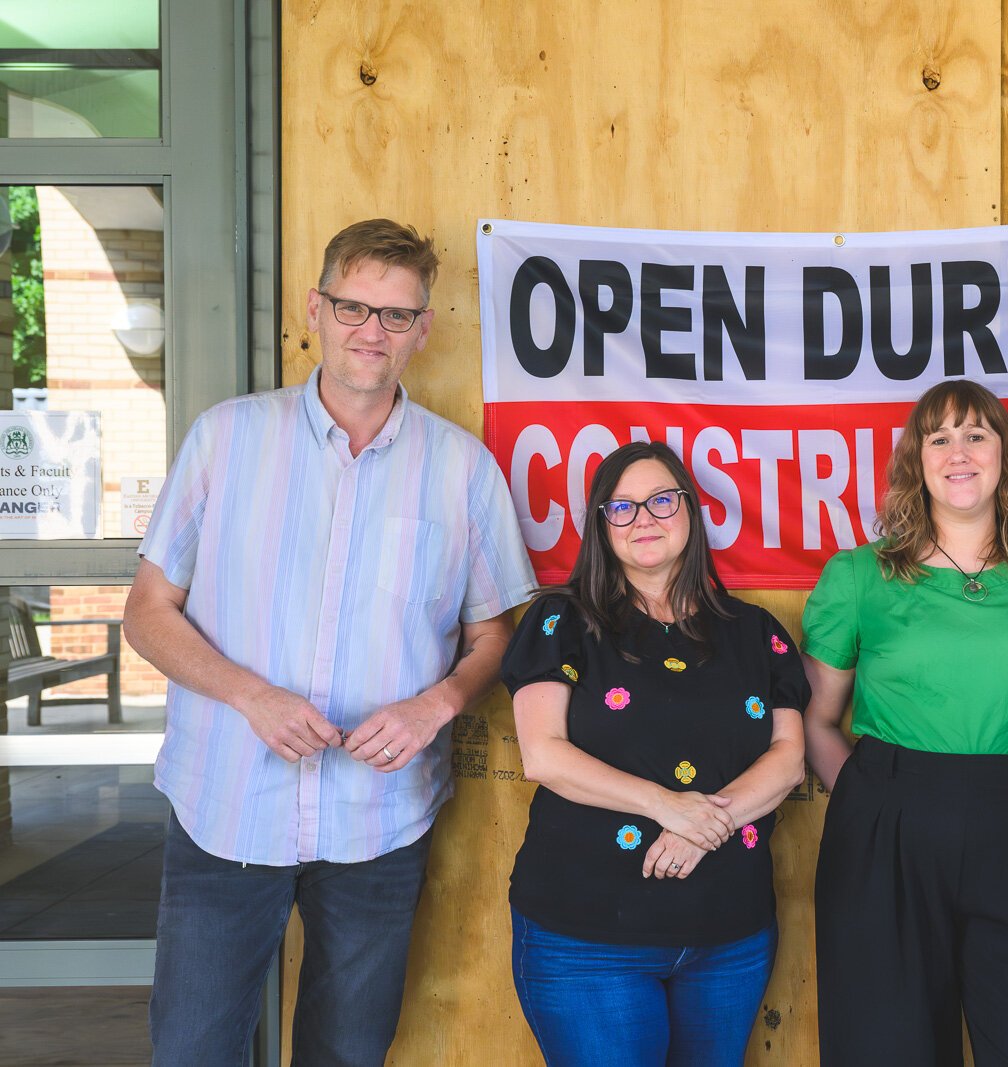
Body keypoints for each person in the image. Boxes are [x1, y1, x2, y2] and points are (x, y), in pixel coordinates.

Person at [124, 218, 537, 1066]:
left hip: (377, 824)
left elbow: (496, 632)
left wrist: (439, 702)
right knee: (193, 1049)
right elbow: (147, 611)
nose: (371, 332)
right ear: (316, 307)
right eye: (354, 307)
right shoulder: (225, 439)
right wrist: (251, 695)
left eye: (396, 315)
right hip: (226, 808)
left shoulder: (463, 470)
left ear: (424, 329)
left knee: (346, 1055)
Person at [801, 379, 1008, 1066]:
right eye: (939, 436)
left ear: (1004, 454)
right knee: (885, 1045)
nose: (959, 451)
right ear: (915, 461)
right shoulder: (860, 577)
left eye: (976, 434)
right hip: (886, 835)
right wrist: (870, 797)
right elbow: (817, 718)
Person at [502, 441, 809, 1067]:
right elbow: (543, 755)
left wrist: (701, 828)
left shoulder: (755, 632)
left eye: (662, 501)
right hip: (588, 935)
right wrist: (669, 808)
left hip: (730, 935)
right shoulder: (562, 620)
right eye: (622, 507)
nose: (644, 518)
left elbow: (788, 760)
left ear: (691, 512)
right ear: (600, 524)